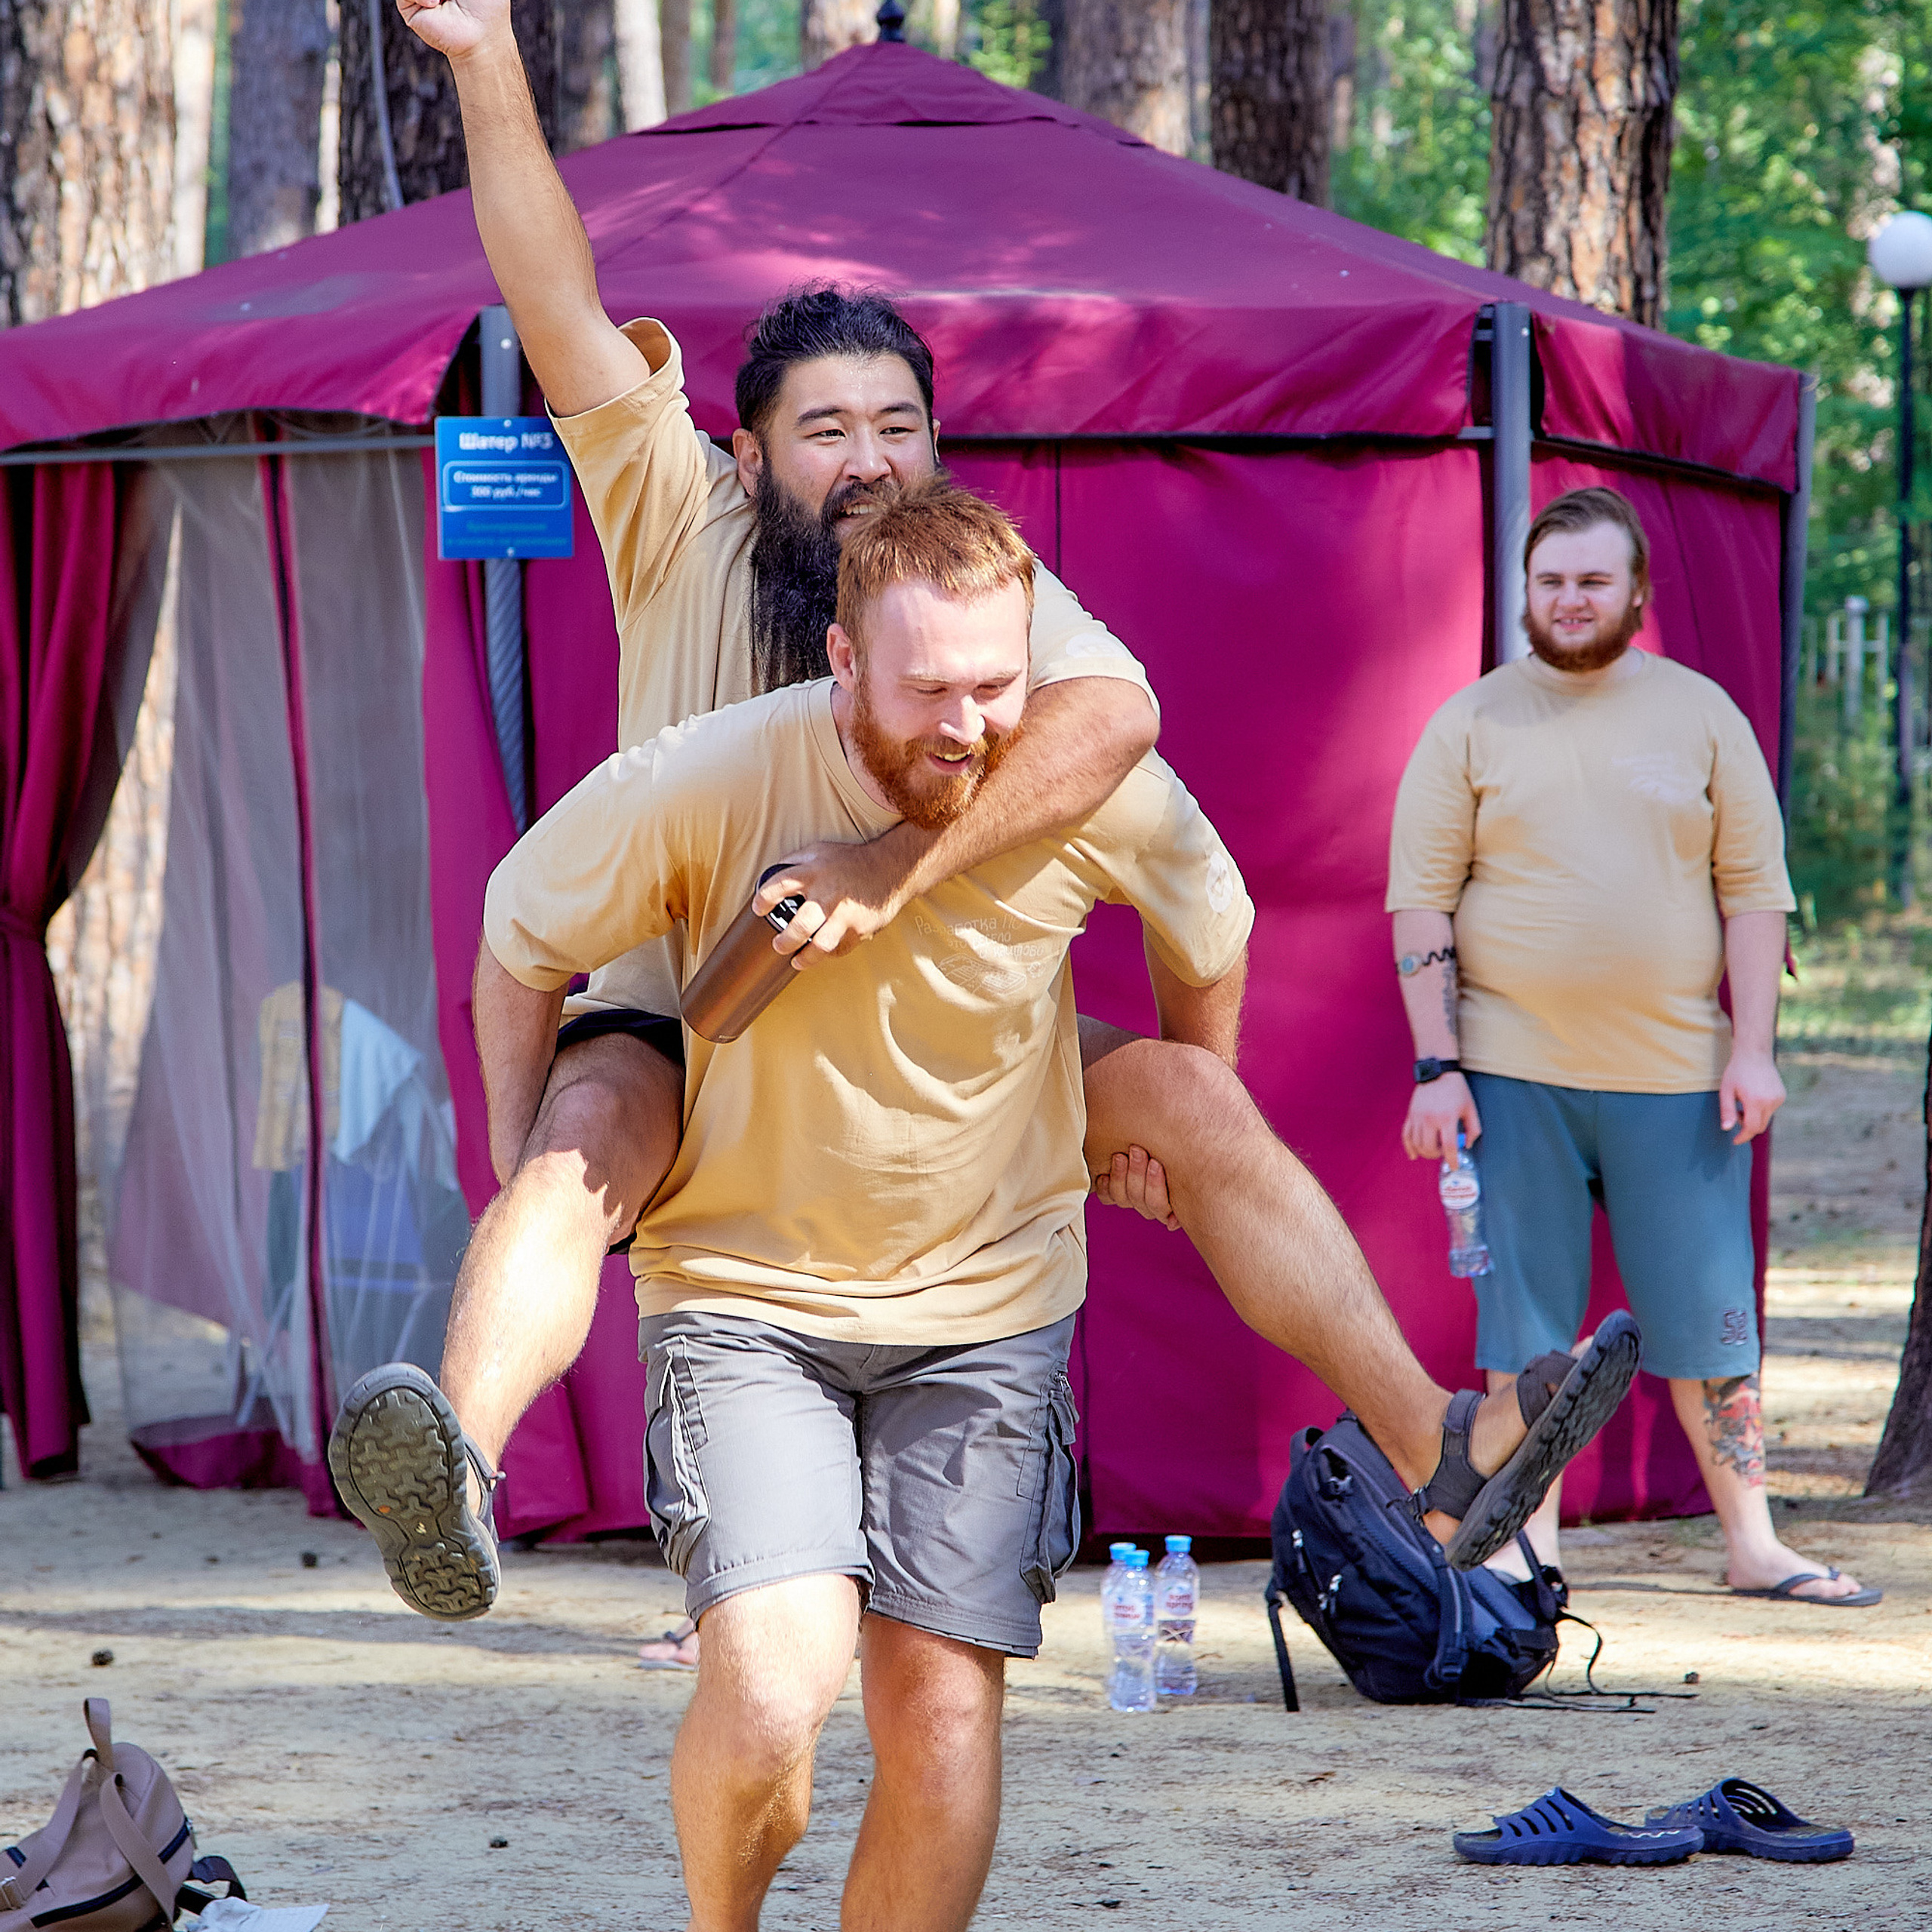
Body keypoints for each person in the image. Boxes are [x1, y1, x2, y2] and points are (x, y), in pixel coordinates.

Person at [352, 0, 1636, 1623]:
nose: (869, 458)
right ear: (744, 458)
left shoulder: (987, 603)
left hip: (949, 1047)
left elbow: (1137, 762)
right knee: (572, 1145)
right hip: (693, 1029)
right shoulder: (673, 514)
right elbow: (550, 292)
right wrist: (483, 57)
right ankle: (452, 1462)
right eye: (825, 430)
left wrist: (1143, 1084)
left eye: (898, 425)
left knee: (1184, 1089)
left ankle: (1443, 1449)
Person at [334, 487, 1638, 1931]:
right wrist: (530, 1170)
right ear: (839, 661)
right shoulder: (706, 778)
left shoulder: (1073, 782)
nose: (966, 725)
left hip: (988, 1305)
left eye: (997, 687)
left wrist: (1158, 1117)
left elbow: (1214, 927)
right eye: (928, 691)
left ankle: (1441, 1442)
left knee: (943, 1724)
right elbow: (518, 938)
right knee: (774, 1696)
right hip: (752, 1298)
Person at [1387, 485, 1879, 1608]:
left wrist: (1754, 1048)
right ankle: (1527, 1547)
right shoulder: (1469, 724)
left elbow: (1758, 896)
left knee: (1711, 1320)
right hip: (1514, 1074)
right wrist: (1438, 1063)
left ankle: (1752, 1543)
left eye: (1593, 581)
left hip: (1681, 1075)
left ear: (1638, 594)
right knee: (1525, 1330)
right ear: (1526, 591)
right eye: (1551, 581)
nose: (1570, 600)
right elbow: (1421, 904)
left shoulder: (1704, 716)